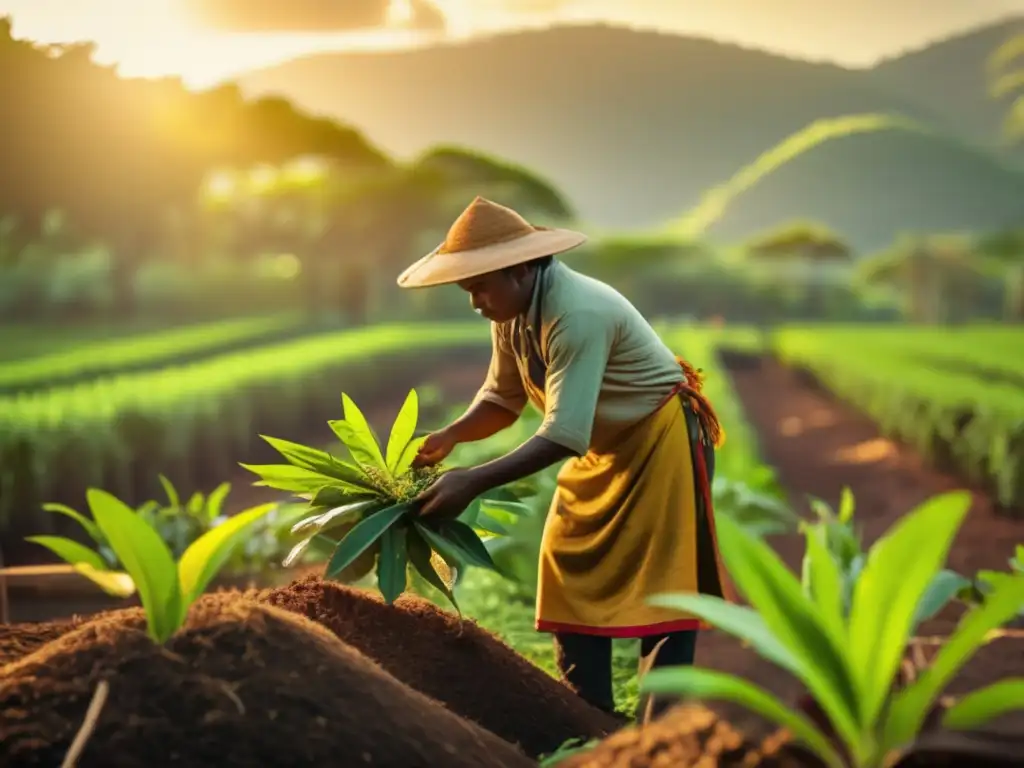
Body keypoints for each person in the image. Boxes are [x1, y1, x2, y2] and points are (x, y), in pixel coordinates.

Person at [397, 196, 732, 722]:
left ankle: (658, 734)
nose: (475, 301)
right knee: (566, 561)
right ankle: (590, 723)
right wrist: (452, 436)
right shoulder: (510, 313)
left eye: (481, 287)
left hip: (660, 440)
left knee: (666, 591)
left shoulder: (576, 314)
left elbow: (563, 435)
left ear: (522, 269)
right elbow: (502, 400)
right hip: (605, 449)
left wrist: (473, 481)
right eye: (468, 290)